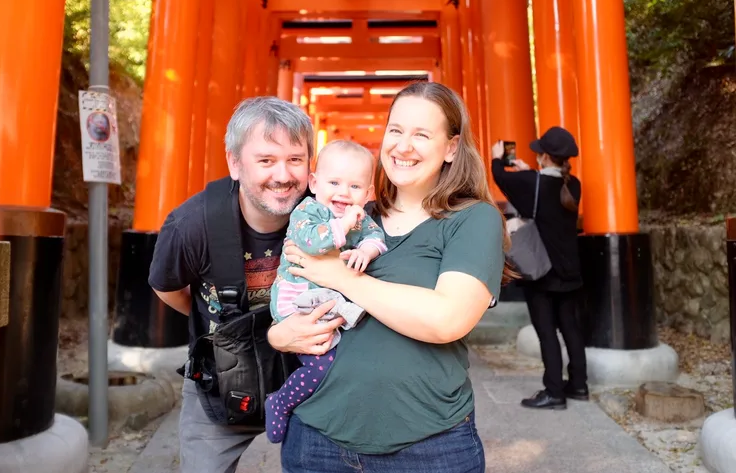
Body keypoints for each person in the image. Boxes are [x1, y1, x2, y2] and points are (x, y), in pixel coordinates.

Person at [268, 82, 510, 473]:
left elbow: (447, 319)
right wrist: (277, 335)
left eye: (421, 134)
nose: (403, 145)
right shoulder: (350, 216)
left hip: (429, 446)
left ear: (451, 147)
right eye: (395, 131)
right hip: (317, 438)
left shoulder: (472, 219)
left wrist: (340, 276)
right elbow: (292, 284)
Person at [147, 96, 344, 473]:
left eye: (295, 160)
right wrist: (226, 324)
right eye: (266, 160)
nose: (283, 175)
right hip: (222, 379)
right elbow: (166, 287)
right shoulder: (191, 225)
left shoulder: (328, 213)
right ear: (235, 163)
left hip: (311, 372)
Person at [265, 139, 387, 443]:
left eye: (355, 186)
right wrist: (344, 224)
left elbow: (375, 234)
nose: (344, 193)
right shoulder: (308, 211)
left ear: (369, 193)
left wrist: (368, 251)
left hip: (326, 299)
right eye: (334, 182)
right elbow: (312, 242)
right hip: (296, 299)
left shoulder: (360, 216)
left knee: (340, 355)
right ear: (314, 183)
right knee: (322, 362)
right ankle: (281, 401)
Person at [490, 127, 589, 410]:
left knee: (547, 332)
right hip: (571, 271)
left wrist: (499, 158)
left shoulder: (532, 183)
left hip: (543, 272)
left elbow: (501, 177)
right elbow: (543, 187)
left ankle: (554, 392)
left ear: (544, 156)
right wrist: (529, 171)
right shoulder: (574, 185)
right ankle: (579, 385)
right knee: (571, 329)